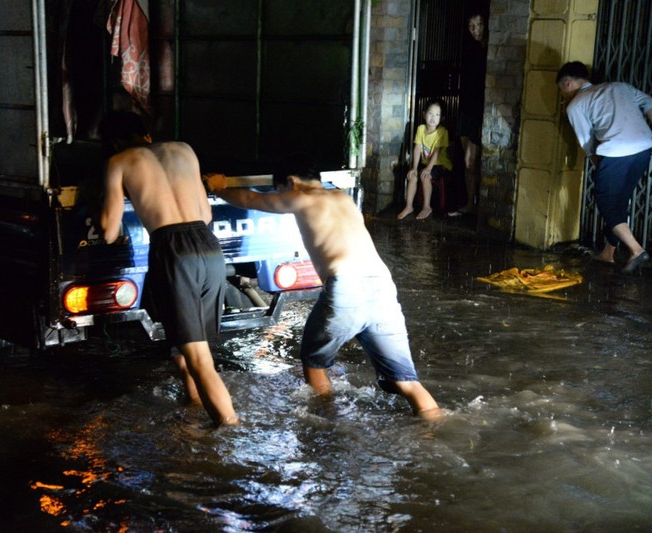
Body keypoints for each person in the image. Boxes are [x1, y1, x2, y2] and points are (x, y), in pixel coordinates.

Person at [205, 156, 441, 419]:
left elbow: (250, 200)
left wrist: (218, 188)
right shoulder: (343, 198)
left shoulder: (301, 198)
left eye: (279, 190)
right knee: (405, 381)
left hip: (347, 287)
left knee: (313, 362)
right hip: (383, 287)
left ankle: (329, 423)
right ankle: (436, 424)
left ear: (291, 182)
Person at [99, 110, 239, 426]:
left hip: (172, 250)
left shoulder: (119, 161)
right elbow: (206, 216)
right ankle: (193, 409)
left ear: (115, 141)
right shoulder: (184, 149)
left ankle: (230, 432)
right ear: (146, 134)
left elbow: (108, 232)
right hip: (208, 245)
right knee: (186, 349)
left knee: (200, 359)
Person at [556, 61, 652, 273]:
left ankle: (636, 250)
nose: (563, 97)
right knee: (619, 199)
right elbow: (648, 102)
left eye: (562, 91)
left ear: (568, 83)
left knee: (606, 200)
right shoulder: (619, 87)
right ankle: (608, 252)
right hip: (645, 147)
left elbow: (588, 144)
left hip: (616, 150)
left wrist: (601, 168)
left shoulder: (575, 105)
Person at [450, 11, 487, 217]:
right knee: (467, 163)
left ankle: (477, 204)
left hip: (479, 111)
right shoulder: (470, 48)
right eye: (472, 27)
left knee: (471, 161)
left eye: (479, 25)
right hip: (466, 108)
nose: (476, 30)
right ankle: (470, 204)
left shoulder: (489, 49)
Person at [398, 100, 453, 220]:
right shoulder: (421, 129)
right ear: (424, 114)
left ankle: (427, 206)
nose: (433, 118)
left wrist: (428, 169)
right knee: (413, 176)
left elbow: (437, 153)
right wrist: (413, 167)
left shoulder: (442, 132)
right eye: (430, 113)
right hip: (425, 163)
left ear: (441, 118)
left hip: (440, 165)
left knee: (425, 176)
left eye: (437, 115)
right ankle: (409, 206)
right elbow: (417, 148)